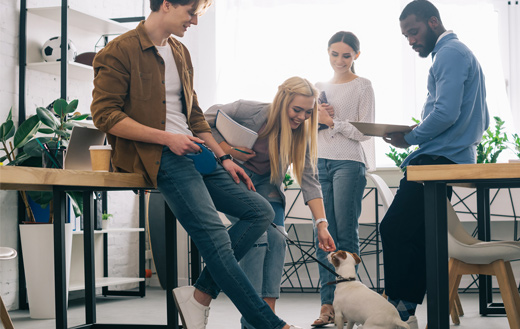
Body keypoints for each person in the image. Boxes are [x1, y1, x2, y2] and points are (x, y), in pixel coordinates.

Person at [90, 1, 318, 328]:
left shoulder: (179, 52)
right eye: (191, 12)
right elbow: (105, 116)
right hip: (162, 155)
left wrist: (224, 158)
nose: (195, 21)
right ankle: (271, 325)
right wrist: (167, 138)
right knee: (217, 241)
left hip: (197, 152)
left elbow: (195, 116)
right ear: (167, 4)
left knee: (261, 212)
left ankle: (198, 297)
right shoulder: (119, 51)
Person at [380, 0, 490, 327]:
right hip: (447, 158)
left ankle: (398, 310)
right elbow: (475, 118)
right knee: (420, 236)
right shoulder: (457, 55)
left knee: (395, 228)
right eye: (406, 36)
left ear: (433, 22)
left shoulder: (450, 55)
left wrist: (409, 137)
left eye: (413, 32)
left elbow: (445, 113)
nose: (411, 40)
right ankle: (405, 310)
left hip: (436, 160)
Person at [203, 76, 337, 329]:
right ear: (282, 99)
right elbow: (202, 121)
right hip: (235, 176)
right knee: (259, 236)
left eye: (308, 112)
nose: (301, 117)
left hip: (267, 183)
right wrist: (226, 148)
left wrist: (322, 224)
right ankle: (255, 320)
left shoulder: (302, 134)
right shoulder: (249, 110)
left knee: (277, 237)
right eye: (297, 109)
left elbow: (310, 180)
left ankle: (268, 316)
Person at [312, 31, 376, 327]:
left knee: (345, 234)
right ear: (327, 53)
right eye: (334, 54)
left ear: (356, 57)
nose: (340, 60)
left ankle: (350, 306)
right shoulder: (318, 88)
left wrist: (333, 122)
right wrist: (317, 120)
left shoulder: (363, 86)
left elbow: (364, 132)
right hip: (319, 162)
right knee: (324, 235)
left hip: (349, 163)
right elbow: (306, 130)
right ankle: (327, 305)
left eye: (346, 55)